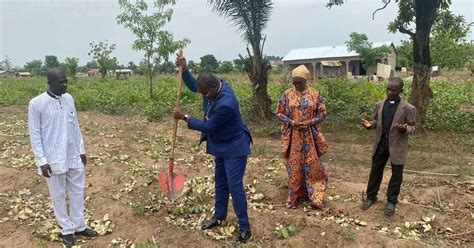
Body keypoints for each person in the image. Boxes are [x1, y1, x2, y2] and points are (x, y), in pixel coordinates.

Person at [174, 56, 252, 243]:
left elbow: (209, 127)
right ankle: (219, 216)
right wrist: (184, 70)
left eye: (204, 94)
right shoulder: (211, 85)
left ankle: (245, 228)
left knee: (235, 186)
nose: (201, 95)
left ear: (214, 89)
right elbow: (195, 86)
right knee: (220, 182)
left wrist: (184, 116)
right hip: (221, 144)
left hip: (234, 146)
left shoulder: (227, 103)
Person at [28, 68, 98, 246]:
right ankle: (66, 230)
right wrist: (42, 161)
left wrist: (82, 150)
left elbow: (75, 125)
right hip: (53, 158)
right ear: (50, 83)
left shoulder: (69, 99)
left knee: (77, 191)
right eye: (61, 82)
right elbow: (34, 134)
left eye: (66, 80)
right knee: (58, 194)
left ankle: (79, 225)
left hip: (73, 154)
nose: (65, 84)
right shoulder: (37, 103)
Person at [275, 65, 328, 209]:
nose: (297, 85)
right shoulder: (287, 95)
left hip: (310, 137)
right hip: (294, 137)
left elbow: (322, 113)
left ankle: (315, 196)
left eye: (300, 82)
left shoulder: (315, 94)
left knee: (313, 166)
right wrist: (291, 122)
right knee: (294, 167)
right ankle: (295, 196)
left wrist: (310, 122)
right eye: (295, 82)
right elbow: (279, 113)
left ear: (306, 80)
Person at [360, 77, 416, 215]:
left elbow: (413, 127)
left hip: (396, 145)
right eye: (388, 89)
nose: (390, 92)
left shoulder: (408, 108)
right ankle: (371, 196)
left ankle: (391, 201)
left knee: (396, 174)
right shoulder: (380, 105)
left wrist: (404, 129)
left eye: (394, 90)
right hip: (381, 143)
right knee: (375, 171)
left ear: (400, 91)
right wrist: (370, 125)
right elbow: (376, 121)